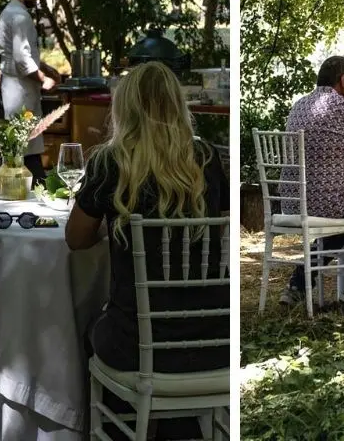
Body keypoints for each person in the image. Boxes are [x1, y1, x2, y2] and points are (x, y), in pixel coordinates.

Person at [65, 62, 229, 441]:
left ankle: (121, 432)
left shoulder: (110, 161)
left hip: (137, 348)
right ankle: (181, 429)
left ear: (126, 108)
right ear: (177, 104)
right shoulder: (206, 159)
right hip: (213, 340)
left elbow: (76, 238)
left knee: (94, 326)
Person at [279, 56, 344, 307]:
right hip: (331, 201)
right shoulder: (343, 108)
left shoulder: (300, 105)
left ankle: (298, 285)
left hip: (294, 202)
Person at [0, 0, 61, 185]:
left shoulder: (11, 13)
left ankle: (38, 185)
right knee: (19, 142)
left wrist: (47, 67)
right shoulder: (20, 16)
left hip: (17, 86)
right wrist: (44, 79)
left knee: (23, 143)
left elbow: (24, 54)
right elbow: (23, 60)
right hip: (20, 89)